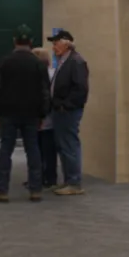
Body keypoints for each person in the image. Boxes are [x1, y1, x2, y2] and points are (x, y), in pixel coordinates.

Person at [0, 25, 52, 202]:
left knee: (5, 150)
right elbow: (45, 92)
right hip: (32, 114)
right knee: (33, 150)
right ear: (31, 42)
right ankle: (35, 190)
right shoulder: (39, 64)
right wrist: (43, 114)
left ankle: (1, 190)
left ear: (14, 41)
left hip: (8, 113)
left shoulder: (4, 62)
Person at [47, 29, 89, 196]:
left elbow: (81, 89)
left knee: (69, 145)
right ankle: (68, 180)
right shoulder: (64, 61)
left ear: (66, 44)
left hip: (68, 111)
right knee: (63, 146)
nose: (53, 47)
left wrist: (66, 105)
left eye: (56, 43)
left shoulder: (76, 62)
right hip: (60, 110)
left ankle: (74, 182)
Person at [33, 46, 60, 189]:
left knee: (39, 150)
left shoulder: (41, 76)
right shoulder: (53, 73)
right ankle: (48, 177)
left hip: (41, 117)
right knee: (48, 150)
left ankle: (43, 177)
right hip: (49, 118)